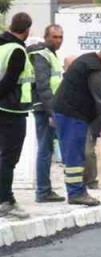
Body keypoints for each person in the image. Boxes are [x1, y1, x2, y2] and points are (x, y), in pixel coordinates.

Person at [52, 44, 101, 206]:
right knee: (75, 154)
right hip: (72, 114)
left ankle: (78, 190)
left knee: (75, 153)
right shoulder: (95, 69)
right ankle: (76, 193)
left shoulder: (88, 61)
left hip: (68, 112)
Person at [0, 12, 34, 219]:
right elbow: (9, 83)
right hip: (12, 110)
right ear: (27, 30)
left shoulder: (2, 45)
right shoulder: (17, 50)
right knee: (9, 158)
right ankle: (6, 201)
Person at [28, 24, 65, 202]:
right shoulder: (42, 55)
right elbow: (43, 86)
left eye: (60, 37)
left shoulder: (50, 54)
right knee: (45, 149)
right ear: (46, 37)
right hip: (44, 109)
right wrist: (51, 112)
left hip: (49, 107)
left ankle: (45, 190)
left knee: (48, 149)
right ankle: (43, 191)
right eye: (54, 37)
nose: (58, 41)